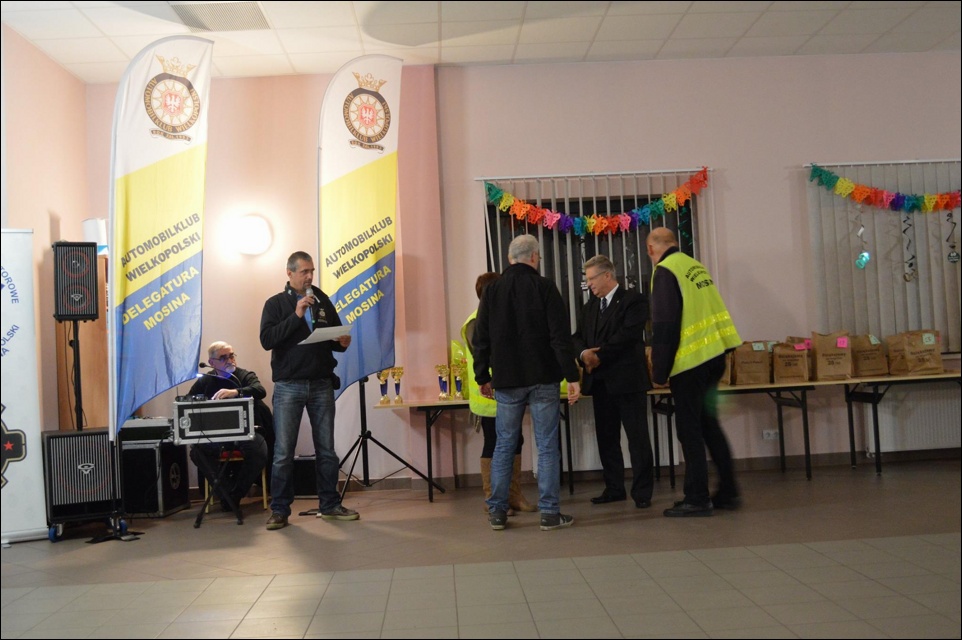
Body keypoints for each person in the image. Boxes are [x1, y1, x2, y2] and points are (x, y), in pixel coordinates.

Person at [472, 234, 582, 531]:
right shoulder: (545, 287)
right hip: (543, 378)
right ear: (534, 257)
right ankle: (549, 513)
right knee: (546, 446)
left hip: (507, 380)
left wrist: (483, 376)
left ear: (510, 259)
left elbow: (481, 338)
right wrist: (572, 376)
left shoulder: (492, 291)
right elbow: (560, 337)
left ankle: (497, 512)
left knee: (504, 445)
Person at [646, 228, 742, 517]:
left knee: (689, 429)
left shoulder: (665, 270)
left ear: (651, 249)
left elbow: (665, 324)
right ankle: (728, 492)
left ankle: (697, 497)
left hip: (690, 363)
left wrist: (659, 371)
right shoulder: (694, 266)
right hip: (715, 357)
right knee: (709, 424)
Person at [259, 251, 356, 530]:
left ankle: (330, 505)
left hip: (321, 383)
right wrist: (297, 314)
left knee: (326, 449)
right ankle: (279, 510)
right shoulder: (275, 304)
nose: (310, 276)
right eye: (304, 272)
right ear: (289, 273)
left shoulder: (321, 299)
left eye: (312, 271)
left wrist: (342, 342)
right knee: (283, 452)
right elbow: (267, 340)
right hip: (289, 386)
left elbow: (332, 337)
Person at [572, 255, 654, 509]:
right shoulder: (590, 307)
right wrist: (583, 354)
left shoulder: (633, 300)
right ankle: (614, 488)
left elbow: (627, 336)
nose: (589, 284)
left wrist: (598, 356)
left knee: (637, 439)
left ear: (607, 275)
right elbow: (577, 337)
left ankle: (642, 492)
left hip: (628, 381)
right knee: (607, 439)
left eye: (591, 279)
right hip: (600, 383)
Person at [461, 272, 537, 516]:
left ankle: (513, 495)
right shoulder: (475, 322)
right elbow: (486, 357)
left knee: (517, 441)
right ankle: (492, 498)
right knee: (493, 443)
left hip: (508, 392)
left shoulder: (498, 317)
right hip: (488, 397)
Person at [187, 341, 270, 513]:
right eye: (223, 357)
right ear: (212, 363)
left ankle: (234, 495)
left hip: (246, 432)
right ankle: (227, 494)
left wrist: (237, 392)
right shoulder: (206, 380)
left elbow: (260, 390)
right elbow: (188, 400)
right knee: (197, 452)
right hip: (217, 436)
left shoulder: (244, 376)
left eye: (231, 355)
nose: (230, 360)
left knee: (259, 451)